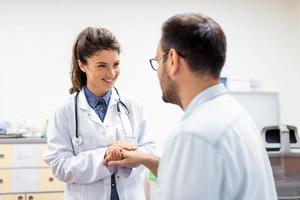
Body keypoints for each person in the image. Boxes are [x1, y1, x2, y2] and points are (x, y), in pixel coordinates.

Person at [105, 13, 278, 199]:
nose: (158, 73)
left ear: (172, 60)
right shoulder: (237, 116)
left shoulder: (193, 134)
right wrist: (146, 159)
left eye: (157, 61)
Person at [44, 27, 154, 200]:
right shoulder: (64, 110)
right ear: (82, 64)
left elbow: (149, 149)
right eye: (102, 66)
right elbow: (59, 165)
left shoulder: (132, 105)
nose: (111, 73)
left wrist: (126, 155)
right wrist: (105, 155)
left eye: (116, 64)